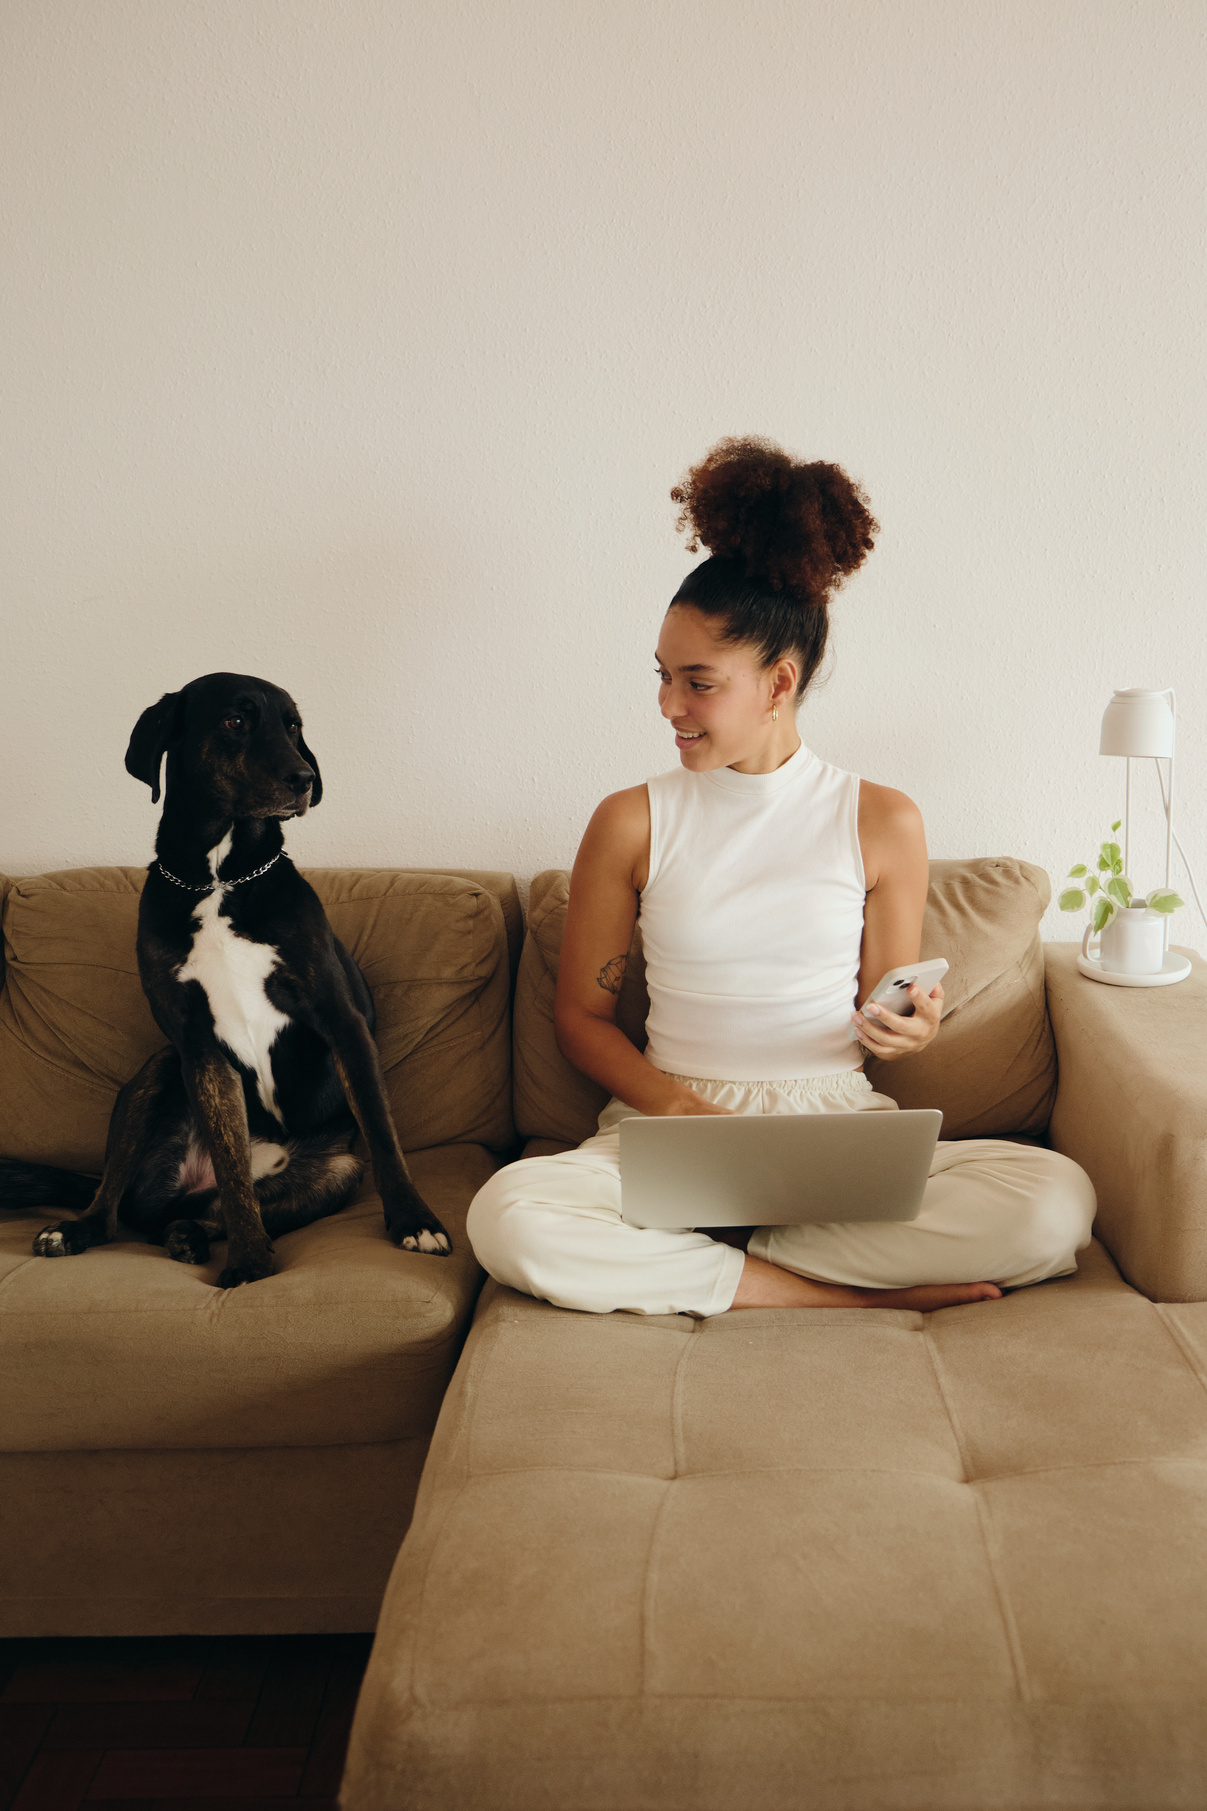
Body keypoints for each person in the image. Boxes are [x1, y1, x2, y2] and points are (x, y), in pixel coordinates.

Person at [468, 436, 1095, 1316]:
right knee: (508, 1216)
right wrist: (683, 1116)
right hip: (669, 1123)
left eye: (697, 682)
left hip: (831, 1125)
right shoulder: (630, 819)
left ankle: (706, 1256)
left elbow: (889, 1000)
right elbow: (582, 1021)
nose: (667, 707)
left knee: (1056, 1199)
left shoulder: (882, 819)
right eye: (662, 677)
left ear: (778, 682)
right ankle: (823, 1292)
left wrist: (907, 1028)